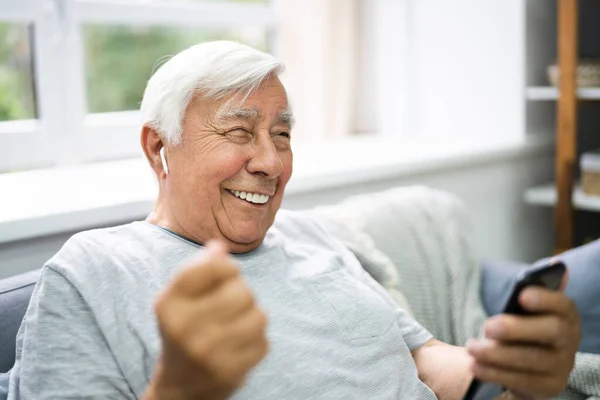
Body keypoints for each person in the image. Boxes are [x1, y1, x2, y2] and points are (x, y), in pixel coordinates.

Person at [8, 41, 580, 400]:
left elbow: (426, 360)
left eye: (282, 134)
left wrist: (516, 371)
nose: (271, 162)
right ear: (159, 148)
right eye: (238, 132)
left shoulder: (310, 238)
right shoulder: (92, 271)